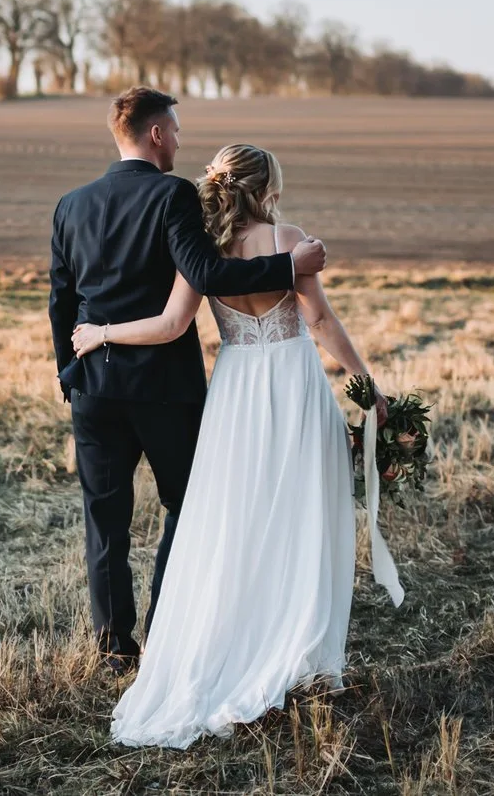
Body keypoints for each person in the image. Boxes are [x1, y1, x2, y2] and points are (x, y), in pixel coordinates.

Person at [79, 141, 398, 747]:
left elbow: (171, 325)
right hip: (292, 386)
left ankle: (234, 644)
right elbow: (321, 322)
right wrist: (368, 387)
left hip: (236, 393)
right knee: (302, 516)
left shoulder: (204, 249)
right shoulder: (288, 240)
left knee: (237, 521)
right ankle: (298, 656)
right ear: (265, 186)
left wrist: (101, 332)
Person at [47, 88, 326, 672]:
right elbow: (204, 272)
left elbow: (62, 301)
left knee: (105, 519)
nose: (179, 141)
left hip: (93, 390)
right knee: (187, 508)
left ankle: (115, 649)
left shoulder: (70, 205)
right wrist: (288, 266)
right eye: (174, 129)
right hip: (163, 390)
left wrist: (68, 371)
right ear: (153, 134)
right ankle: (166, 633)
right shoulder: (172, 195)